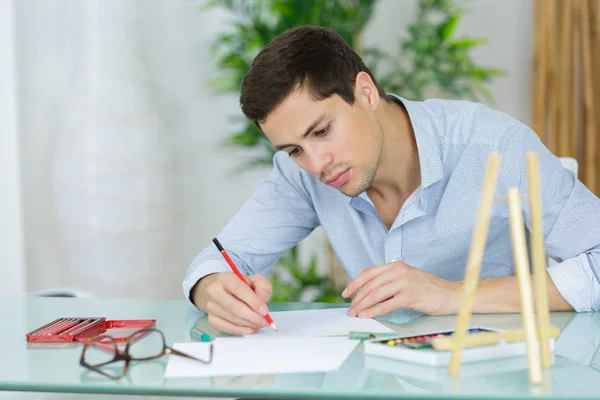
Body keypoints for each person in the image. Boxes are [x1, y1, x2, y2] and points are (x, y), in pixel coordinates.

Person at [183, 26, 600, 335]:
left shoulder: (493, 144)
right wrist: (212, 289)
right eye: (293, 150)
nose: (316, 163)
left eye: (322, 131)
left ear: (365, 92)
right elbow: (222, 258)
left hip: (491, 376)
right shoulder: (302, 173)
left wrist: (453, 294)